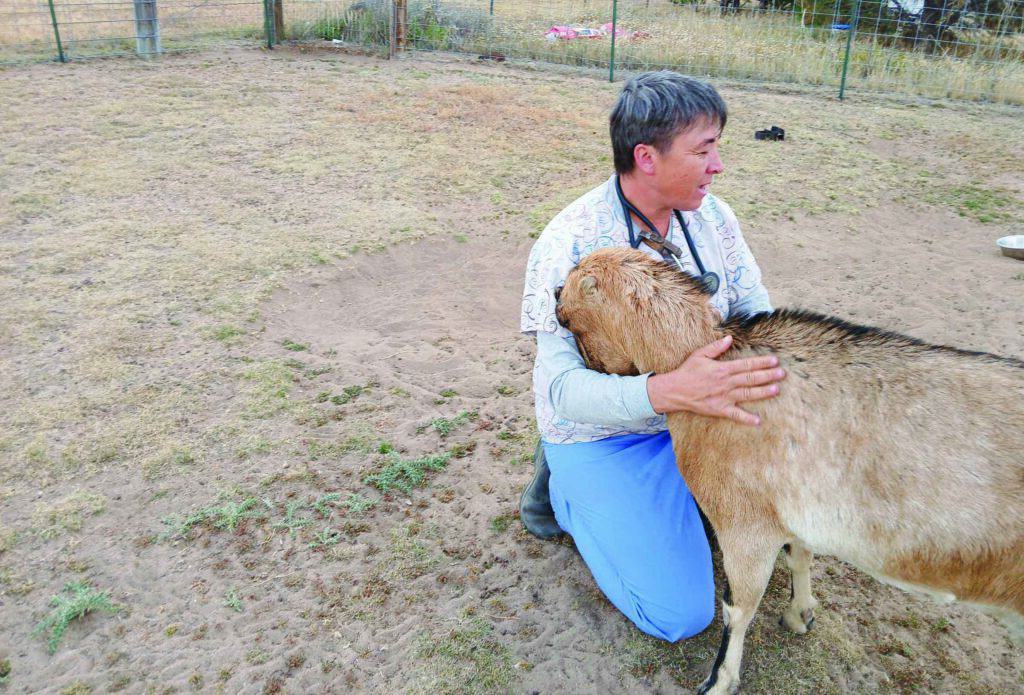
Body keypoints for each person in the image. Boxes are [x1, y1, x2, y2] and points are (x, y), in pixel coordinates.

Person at [519, 71, 786, 642]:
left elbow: (757, 313)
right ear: (646, 157)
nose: (718, 165)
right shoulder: (568, 240)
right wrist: (664, 392)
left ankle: (680, 496)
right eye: (704, 150)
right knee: (681, 615)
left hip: (699, 415)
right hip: (607, 434)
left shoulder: (714, 216)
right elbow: (562, 391)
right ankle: (564, 494)